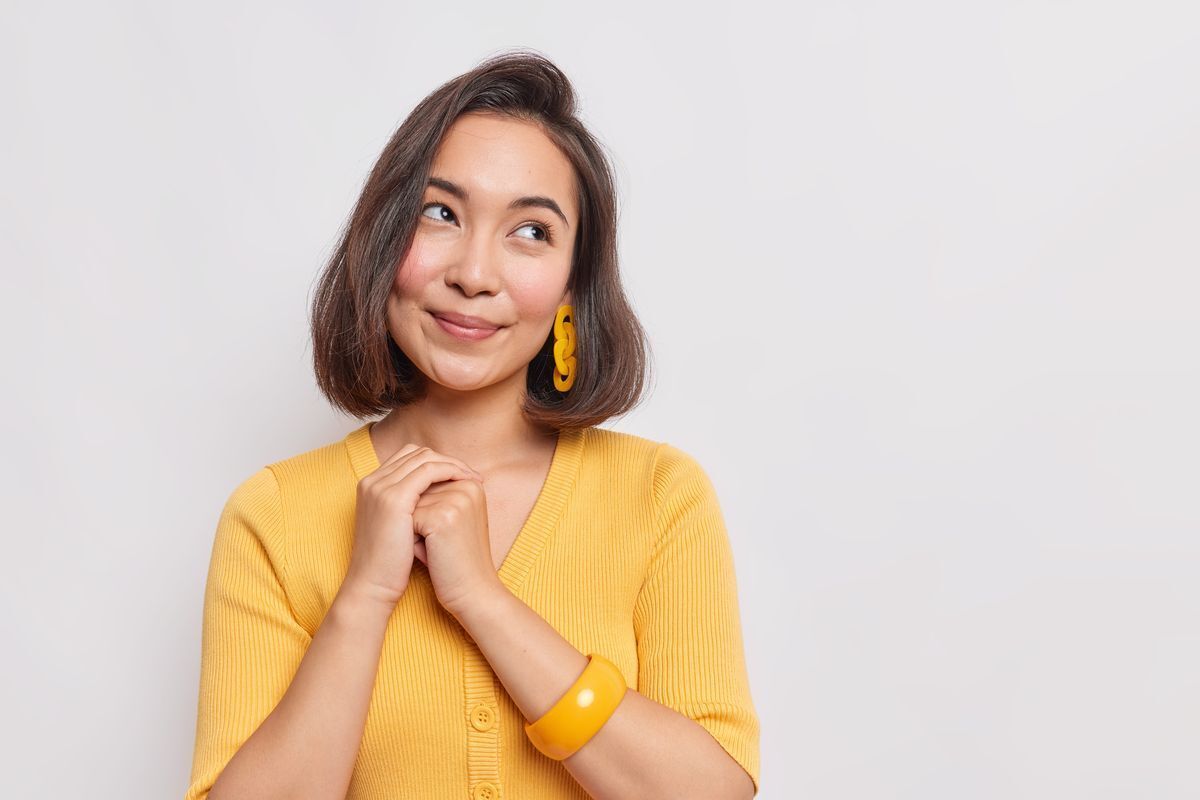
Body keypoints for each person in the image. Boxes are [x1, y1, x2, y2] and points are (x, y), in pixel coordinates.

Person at [184, 49, 759, 800]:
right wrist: (363, 598)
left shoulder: (659, 495)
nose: (475, 274)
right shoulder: (275, 515)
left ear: (569, 289)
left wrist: (484, 602)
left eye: (531, 232)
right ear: (383, 240)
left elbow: (708, 792)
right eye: (441, 214)